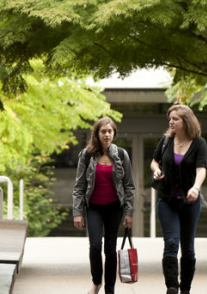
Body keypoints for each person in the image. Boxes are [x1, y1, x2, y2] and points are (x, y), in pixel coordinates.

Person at [72, 117, 135, 294]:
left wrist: (129, 212)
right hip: (94, 207)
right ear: (97, 134)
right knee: (94, 246)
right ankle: (96, 281)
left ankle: (110, 288)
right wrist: (77, 212)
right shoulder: (86, 155)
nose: (107, 135)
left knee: (110, 248)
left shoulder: (121, 155)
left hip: (115, 207)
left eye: (110, 131)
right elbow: (79, 186)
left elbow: (129, 185)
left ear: (114, 133)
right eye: (103, 131)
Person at [150, 104, 207, 294]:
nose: (171, 121)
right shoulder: (166, 140)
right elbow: (154, 161)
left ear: (186, 121)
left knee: (188, 247)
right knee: (171, 242)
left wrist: (196, 187)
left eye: (175, 118)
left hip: (190, 202)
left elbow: (201, 168)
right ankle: (172, 287)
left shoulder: (199, 143)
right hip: (166, 200)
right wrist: (156, 170)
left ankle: (185, 290)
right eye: (170, 118)